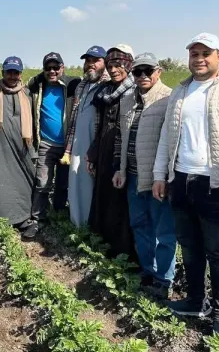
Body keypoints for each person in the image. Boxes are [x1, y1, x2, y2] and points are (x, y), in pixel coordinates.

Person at [153, 33, 219, 341]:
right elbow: (166, 139)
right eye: (194, 53)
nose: (199, 58)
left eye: (205, 53)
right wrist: (161, 174)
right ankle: (195, 300)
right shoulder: (180, 92)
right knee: (189, 246)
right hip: (182, 180)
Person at [111, 54, 175, 298]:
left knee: (164, 231)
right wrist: (120, 168)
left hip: (157, 177)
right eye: (138, 72)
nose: (143, 76)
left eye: (148, 71)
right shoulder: (127, 100)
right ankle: (148, 269)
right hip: (133, 175)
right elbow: (120, 137)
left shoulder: (168, 98)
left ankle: (164, 279)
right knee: (140, 225)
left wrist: (165, 175)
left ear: (158, 71)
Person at [86, 44, 136, 259]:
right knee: (103, 197)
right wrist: (93, 153)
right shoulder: (105, 91)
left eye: (118, 65)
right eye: (110, 65)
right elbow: (100, 126)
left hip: (123, 154)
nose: (114, 69)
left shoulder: (135, 91)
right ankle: (103, 243)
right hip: (105, 151)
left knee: (120, 203)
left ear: (128, 65)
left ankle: (122, 251)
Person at [21, 52, 78, 238]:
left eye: (56, 67)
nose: (52, 71)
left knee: (63, 184)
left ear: (63, 67)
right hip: (45, 143)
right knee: (42, 183)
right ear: (43, 70)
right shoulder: (37, 86)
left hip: (68, 146)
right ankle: (38, 219)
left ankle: (59, 215)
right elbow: (18, 85)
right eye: (48, 68)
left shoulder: (72, 85)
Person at [0, 56, 35, 228]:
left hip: (22, 149)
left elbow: (34, 123)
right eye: (9, 72)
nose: (12, 76)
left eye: (16, 72)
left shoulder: (27, 94)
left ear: (21, 74)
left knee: (23, 185)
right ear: (2, 72)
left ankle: (22, 217)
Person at [63, 46, 109, 227]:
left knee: (92, 186)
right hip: (76, 144)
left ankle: (92, 227)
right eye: (88, 61)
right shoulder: (81, 86)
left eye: (96, 61)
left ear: (105, 63)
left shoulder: (107, 87)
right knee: (76, 184)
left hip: (95, 145)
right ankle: (78, 224)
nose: (91, 65)